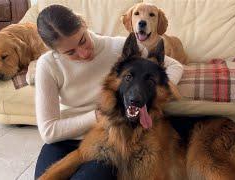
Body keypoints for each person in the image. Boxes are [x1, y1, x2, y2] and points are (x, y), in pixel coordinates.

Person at [34, 4, 184, 179]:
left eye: (82, 40)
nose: (83, 53)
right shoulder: (47, 65)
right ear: (53, 50)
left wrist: (160, 88)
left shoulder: (119, 47)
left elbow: (173, 65)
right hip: (64, 139)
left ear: (83, 23)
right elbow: (48, 131)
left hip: (108, 137)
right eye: (70, 52)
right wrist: (97, 115)